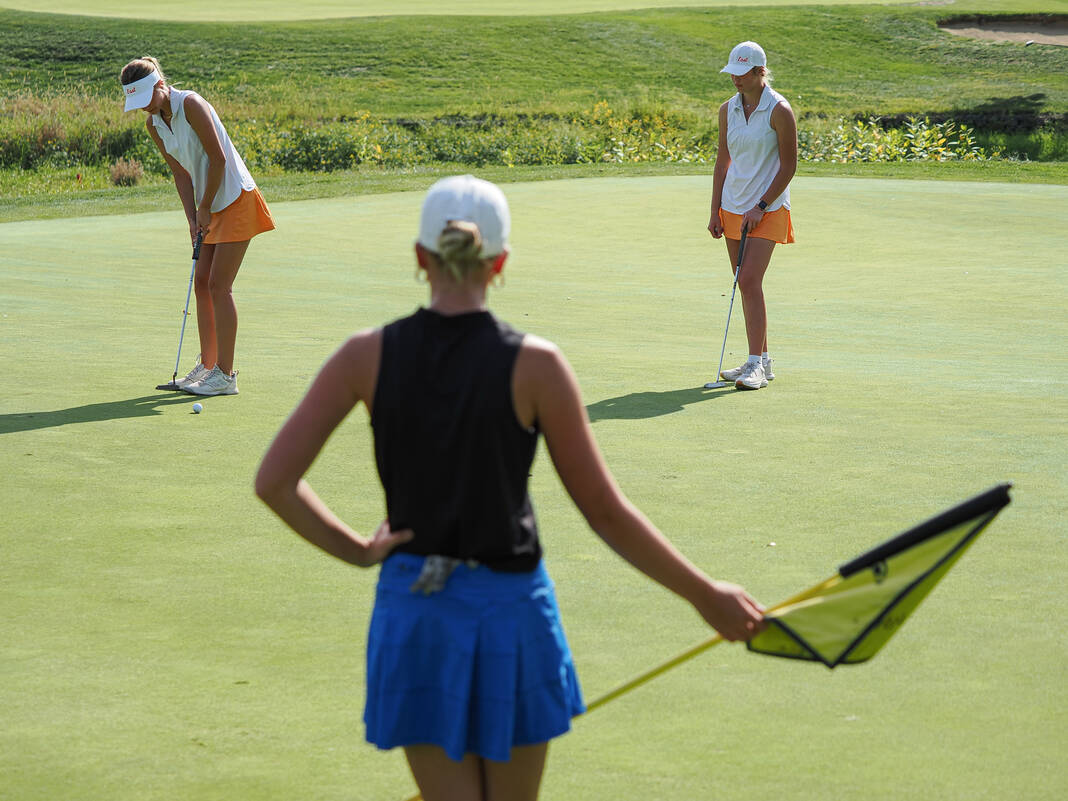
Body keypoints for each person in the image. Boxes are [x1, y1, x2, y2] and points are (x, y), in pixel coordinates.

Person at [255, 175, 766, 801]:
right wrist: (705, 594)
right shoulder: (537, 365)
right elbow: (604, 512)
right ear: (499, 264)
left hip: (416, 610)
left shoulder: (365, 356)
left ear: (420, 258)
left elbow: (275, 483)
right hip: (512, 612)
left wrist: (360, 551)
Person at [120, 56, 275, 396]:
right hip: (207, 205)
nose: (144, 107)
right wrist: (192, 218)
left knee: (219, 285)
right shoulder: (154, 124)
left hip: (233, 197)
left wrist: (204, 207)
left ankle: (226, 375)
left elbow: (218, 159)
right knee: (202, 282)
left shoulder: (191, 104)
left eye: (146, 98)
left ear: (160, 85)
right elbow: (181, 173)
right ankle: (208, 365)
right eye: (137, 102)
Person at [707, 41, 797, 391]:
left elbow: (789, 166)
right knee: (744, 283)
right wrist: (715, 209)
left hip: (767, 208)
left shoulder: (779, 110)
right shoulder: (727, 109)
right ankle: (762, 360)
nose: (735, 79)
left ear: (760, 72)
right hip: (732, 206)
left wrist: (760, 206)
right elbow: (722, 161)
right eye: (732, 73)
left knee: (748, 280)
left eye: (742, 74)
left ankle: (755, 365)